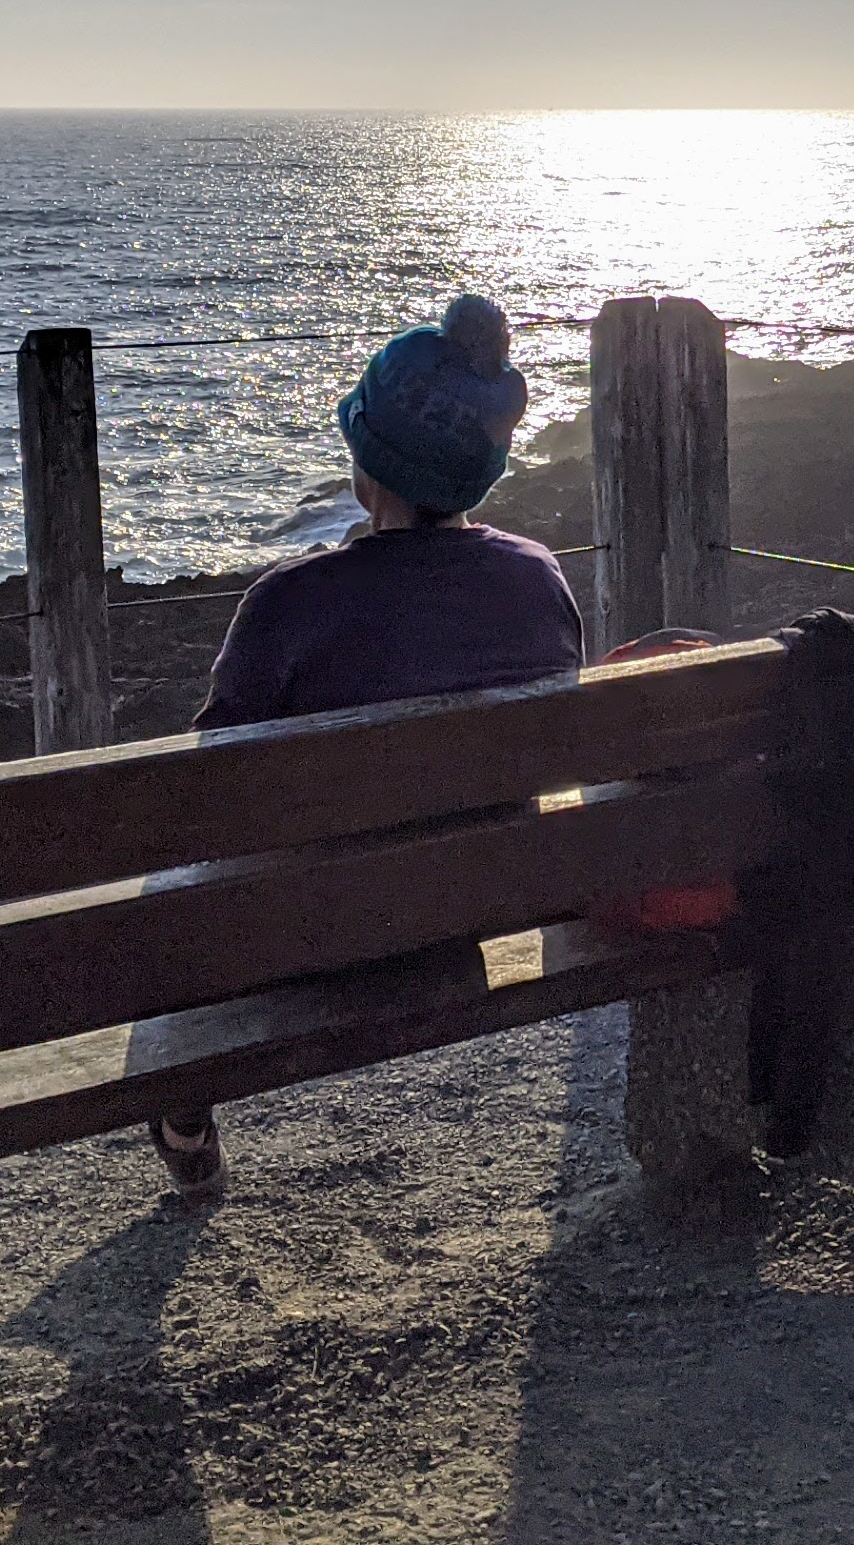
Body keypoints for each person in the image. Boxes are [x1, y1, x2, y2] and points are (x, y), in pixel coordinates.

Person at [150, 292, 582, 1191]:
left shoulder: (287, 604)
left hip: (317, 929)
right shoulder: (537, 582)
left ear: (365, 468)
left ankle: (186, 1121)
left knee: (166, 883)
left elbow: (205, 798)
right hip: (476, 903)